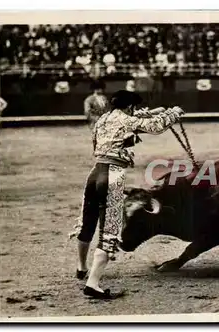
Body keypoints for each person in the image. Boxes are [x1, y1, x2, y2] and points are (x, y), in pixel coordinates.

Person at [72, 89, 185, 299]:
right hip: (113, 175)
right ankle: (93, 284)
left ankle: (81, 267)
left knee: (87, 221)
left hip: (95, 173)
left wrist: (155, 111)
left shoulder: (104, 119)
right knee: (110, 229)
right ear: (129, 107)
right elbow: (155, 126)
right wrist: (174, 113)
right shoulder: (128, 120)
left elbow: (136, 118)